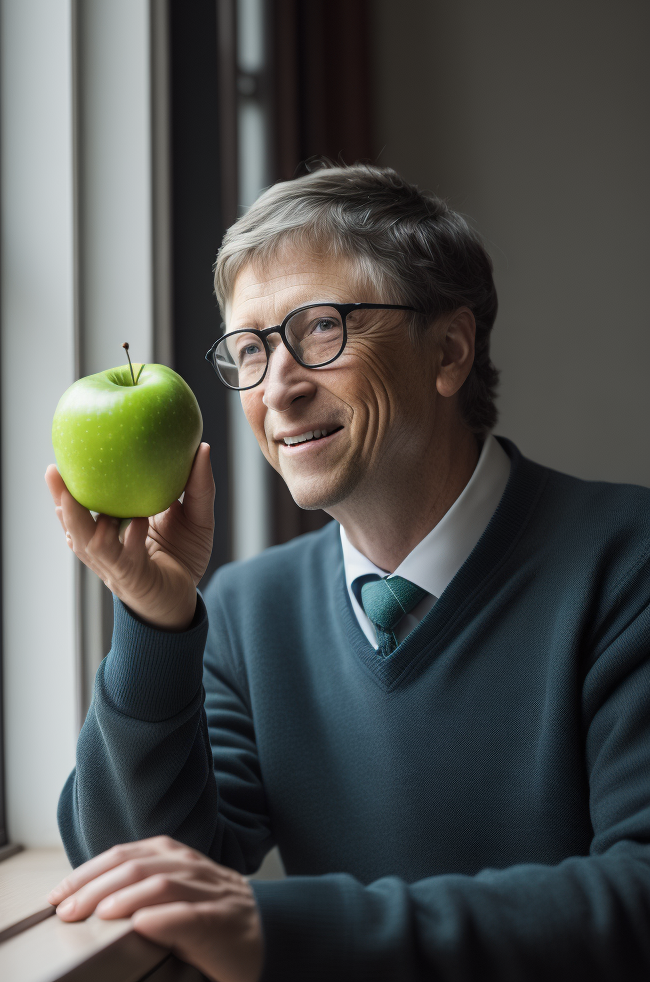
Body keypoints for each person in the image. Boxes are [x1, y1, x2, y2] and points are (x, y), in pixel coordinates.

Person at [44, 165, 650, 982]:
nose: (279, 387)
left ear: (449, 348)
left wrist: (288, 930)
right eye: (251, 349)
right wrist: (154, 623)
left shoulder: (629, 563)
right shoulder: (246, 614)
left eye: (320, 329)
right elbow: (134, 872)